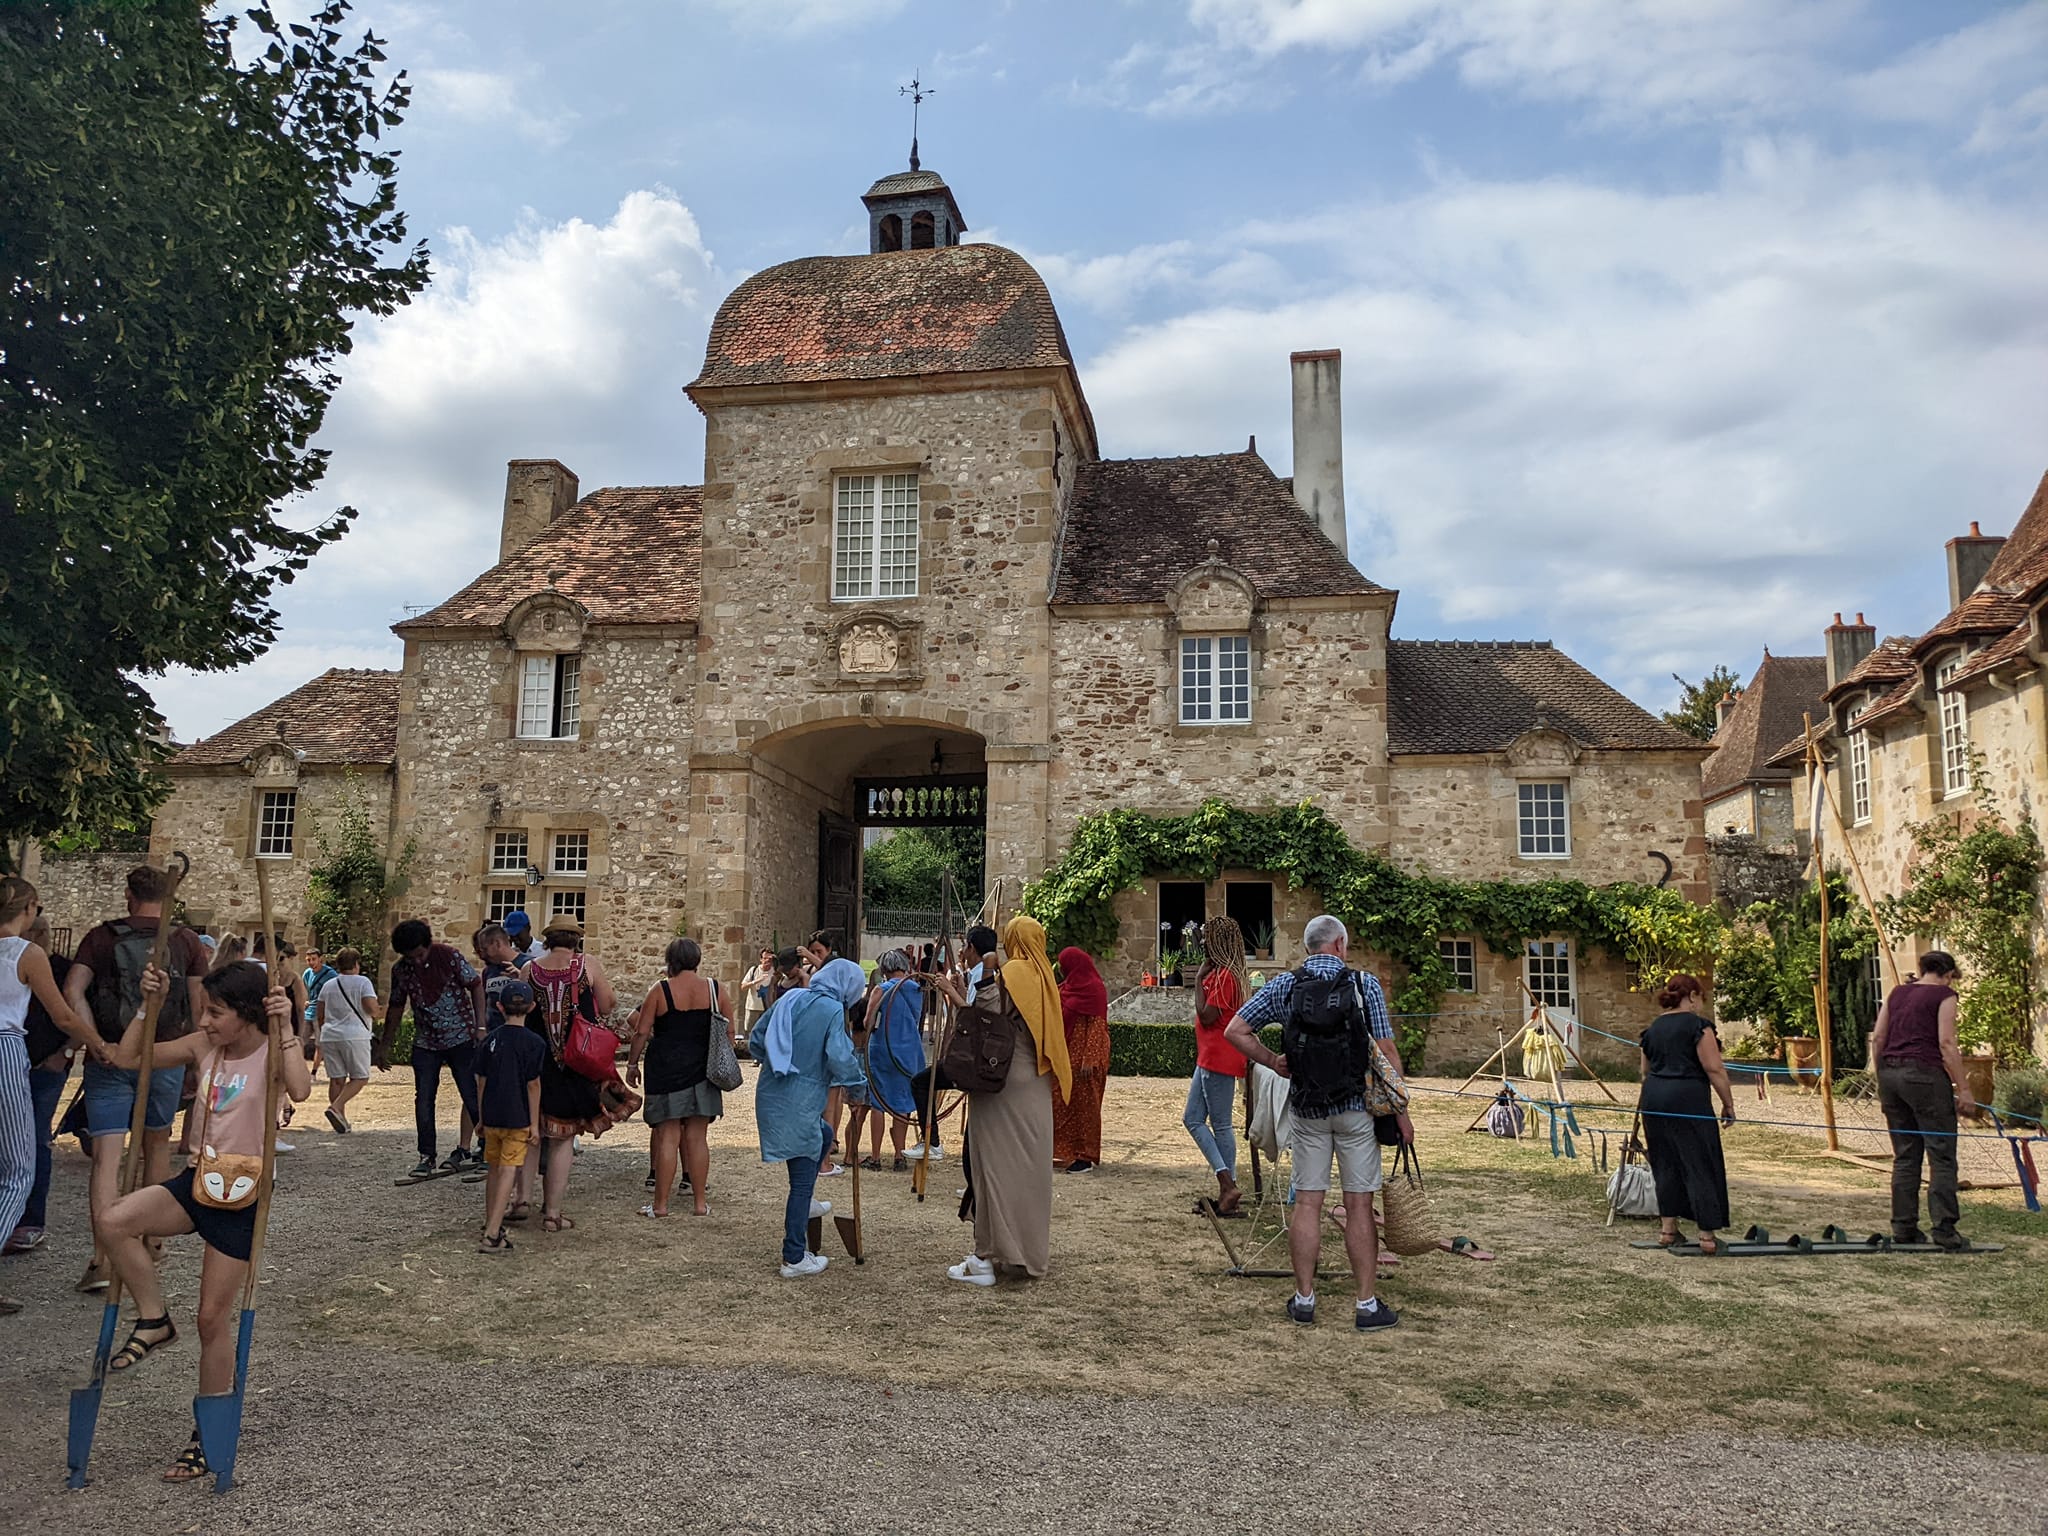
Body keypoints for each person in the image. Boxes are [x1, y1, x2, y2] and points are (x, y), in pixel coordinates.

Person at [96, 959, 308, 1480]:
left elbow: (301, 1090)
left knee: (212, 1320)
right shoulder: (201, 1047)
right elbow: (127, 1058)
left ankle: (205, 1437)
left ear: (247, 1013)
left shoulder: (272, 1051)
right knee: (114, 1220)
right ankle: (154, 1319)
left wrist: (285, 1026)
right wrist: (147, 1006)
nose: (205, 1021)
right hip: (196, 1180)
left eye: (215, 1012)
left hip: (244, 1192)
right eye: (203, 1012)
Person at [1227, 914, 1410, 1331]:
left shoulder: (1285, 985)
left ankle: (1305, 1299)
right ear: (1340, 944)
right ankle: (1366, 1305)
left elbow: (1236, 1030)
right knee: (1358, 1203)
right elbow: (1386, 1052)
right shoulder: (1363, 985)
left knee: (1308, 1202)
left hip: (1307, 1107)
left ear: (1308, 947)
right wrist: (1401, 1112)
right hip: (1356, 1108)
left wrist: (1273, 1060)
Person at [64, 863, 211, 1293]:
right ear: (169, 898)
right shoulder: (185, 941)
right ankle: (152, 1242)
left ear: (129, 895)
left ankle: (103, 1258)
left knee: (107, 1159)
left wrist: (96, 1042)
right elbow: (199, 1004)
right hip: (164, 1055)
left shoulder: (102, 937)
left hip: (111, 1056)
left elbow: (73, 990)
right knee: (156, 1145)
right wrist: (197, 1059)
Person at [928, 915, 1072, 1286]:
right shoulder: (1045, 977)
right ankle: (1023, 1253)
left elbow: (986, 1013)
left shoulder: (1015, 973)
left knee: (990, 1168)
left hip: (1001, 1083)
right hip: (1034, 1082)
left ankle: (984, 1257)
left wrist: (986, 975)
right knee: (1027, 1173)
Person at [0, 880, 100, 1309]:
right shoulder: (26, 953)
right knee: (19, 1168)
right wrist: (98, 1043)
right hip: (5, 1046)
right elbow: (62, 1014)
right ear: (29, 909)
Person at [747, 949, 865, 1278]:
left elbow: (757, 1039)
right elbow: (840, 1056)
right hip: (799, 1100)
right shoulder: (831, 1009)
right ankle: (794, 1257)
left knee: (824, 1135)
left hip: (773, 1093)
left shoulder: (791, 997)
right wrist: (857, 1087)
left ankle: (806, 1203)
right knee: (800, 1182)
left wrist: (780, 1061)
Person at [522, 919, 637, 1232]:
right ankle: (552, 1214)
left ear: (548, 940)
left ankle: (521, 1200)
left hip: (537, 1061)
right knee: (562, 1139)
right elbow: (608, 1004)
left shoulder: (530, 969)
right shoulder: (587, 965)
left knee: (531, 1134)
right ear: (576, 940)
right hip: (575, 1063)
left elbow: (522, 1008)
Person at [1870, 952, 1975, 1249]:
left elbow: (1878, 1039)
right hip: (1925, 1075)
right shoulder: (1944, 995)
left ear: (1922, 969)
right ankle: (1944, 1229)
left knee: (1905, 1154)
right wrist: (1964, 1088)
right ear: (1949, 974)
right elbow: (1946, 1043)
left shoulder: (1897, 993)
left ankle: (1903, 1227)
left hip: (1890, 1073)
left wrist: (1883, 1076)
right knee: (1941, 1153)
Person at [9, 913, 93, 1256]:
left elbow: (73, 1015)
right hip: (14, 1061)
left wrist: (67, 1052)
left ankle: (30, 1220)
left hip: (46, 1065)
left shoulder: (61, 969)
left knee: (36, 1138)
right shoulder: (13, 961)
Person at [1638, 973, 1737, 1253]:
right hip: (1688, 1099)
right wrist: (1728, 1103)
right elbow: (1714, 1068)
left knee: (1664, 1162)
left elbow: (1645, 1071)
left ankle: (1668, 1230)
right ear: (1692, 996)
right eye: (1701, 998)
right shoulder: (1699, 1027)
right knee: (1699, 1161)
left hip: (1654, 1099)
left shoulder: (1652, 1029)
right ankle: (1706, 1235)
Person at [627, 937, 727, 1217]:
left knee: (668, 1138)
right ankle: (699, 1203)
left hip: (666, 1069)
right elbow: (729, 1033)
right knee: (698, 1138)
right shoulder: (715, 989)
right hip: (703, 1071)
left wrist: (632, 1063)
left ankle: (660, 1205)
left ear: (670, 960)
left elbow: (641, 1031)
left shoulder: (660, 990)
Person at [380, 919, 486, 1178]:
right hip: (426, 1041)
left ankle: (487, 1147)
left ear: (427, 945)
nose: (416, 961)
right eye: (410, 957)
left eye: (420, 955)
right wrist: (385, 1045)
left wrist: (480, 1025)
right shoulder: (401, 970)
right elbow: (396, 1007)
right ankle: (426, 1156)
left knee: (471, 1094)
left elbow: (475, 985)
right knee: (424, 1099)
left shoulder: (449, 956)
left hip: (461, 1038)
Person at [906, 924, 1001, 1164]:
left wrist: (950, 990)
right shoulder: (981, 973)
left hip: (971, 1056)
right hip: (977, 1053)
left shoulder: (983, 974)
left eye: (965, 946)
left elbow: (977, 1016)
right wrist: (960, 990)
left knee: (921, 1083)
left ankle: (932, 1142)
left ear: (972, 948)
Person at [474, 980, 546, 1254]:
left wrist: (481, 1117)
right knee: (508, 1170)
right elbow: (533, 1085)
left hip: (493, 1114)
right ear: (532, 1007)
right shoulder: (534, 1043)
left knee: (493, 1168)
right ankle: (493, 1232)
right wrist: (534, 1123)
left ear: (500, 1007)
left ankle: (490, 1220)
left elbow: (481, 1081)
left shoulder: (489, 1040)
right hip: (518, 1117)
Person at [1186, 918, 1251, 1210]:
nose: (1202, 944)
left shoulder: (1225, 977)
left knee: (1220, 1124)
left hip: (1218, 1057)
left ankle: (1228, 1184)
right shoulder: (1225, 974)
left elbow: (1207, 1015)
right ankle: (1227, 1185)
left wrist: (1198, 980)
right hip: (1210, 1056)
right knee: (1193, 1119)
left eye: (1207, 939)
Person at [862, 949, 926, 1170]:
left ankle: (876, 1156)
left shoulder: (881, 989)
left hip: (883, 1049)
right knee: (902, 1102)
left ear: (884, 969)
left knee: (878, 1102)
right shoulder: (916, 989)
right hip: (909, 1050)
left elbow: (868, 1022)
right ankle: (900, 1155)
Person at [1054, 946, 1110, 1174]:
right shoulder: (1067, 988)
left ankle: (1085, 1156)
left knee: (1086, 1108)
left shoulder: (1094, 989)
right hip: (1067, 1058)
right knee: (1060, 1102)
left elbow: (1098, 1025)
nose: (1062, 970)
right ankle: (1066, 1152)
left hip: (1086, 1062)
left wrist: (1090, 1057)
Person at [314, 948, 380, 1133]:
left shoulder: (328, 985)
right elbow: (371, 1008)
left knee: (336, 1079)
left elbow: (320, 1013)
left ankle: (340, 1118)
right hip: (355, 1035)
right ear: (356, 964)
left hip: (330, 1034)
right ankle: (336, 1107)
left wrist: (327, 1028)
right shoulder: (363, 982)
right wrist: (378, 1011)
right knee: (360, 1077)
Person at [300, 947, 338, 1037]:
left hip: (322, 1013)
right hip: (308, 1012)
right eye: (308, 960)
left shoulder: (330, 974)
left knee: (319, 1041)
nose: (311, 962)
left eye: (314, 959)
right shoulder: (307, 973)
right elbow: (304, 990)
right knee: (301, 1039)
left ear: (320, 959)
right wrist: (304, 1001)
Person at [740, 947, 776, 1038]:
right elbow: (743, 986)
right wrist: (756, 981)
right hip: (753, 1007)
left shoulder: (775, 972)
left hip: (767, 1008)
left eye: (769, 959)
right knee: (749, 1032)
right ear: (761, 959)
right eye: (765, 958)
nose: (767, 961)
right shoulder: (754, 970)